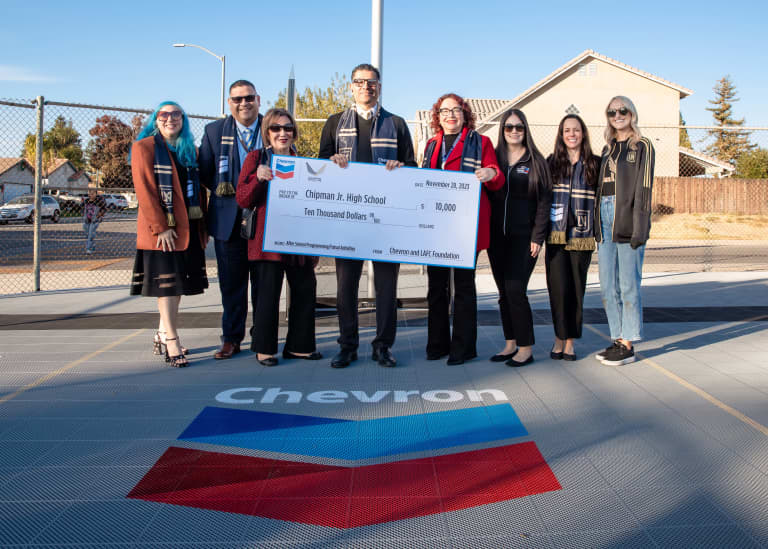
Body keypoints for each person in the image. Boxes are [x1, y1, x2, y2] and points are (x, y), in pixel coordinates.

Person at [318, 63, 416, 368]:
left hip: (385, 221)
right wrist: (331, 160)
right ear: (351, 87)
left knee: (386, 288)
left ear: (379, 87)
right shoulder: (335, 123)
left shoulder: (396, 124)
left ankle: (383, 346)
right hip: (348, 220)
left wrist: (401, 167)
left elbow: (412, 166)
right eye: (359, 82)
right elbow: (320, 165)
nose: (366, 87)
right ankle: (347, 345)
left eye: (371, 82)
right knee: (346, 287)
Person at [421, 93, 504, 365]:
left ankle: (463, 347)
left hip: (466, 227)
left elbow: (497, 176)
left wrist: (491, 173)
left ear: (464, 114)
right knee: (436, 287)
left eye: (456, 110)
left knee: (463, 287)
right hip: (436, 227)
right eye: (445, 111)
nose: (450, 115)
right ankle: (437, 344)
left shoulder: (481, 142)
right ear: (438, 116)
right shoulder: (431, 145)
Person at [236, 108, 321, 367]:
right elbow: (242, 198)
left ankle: (299, 347)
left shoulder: (304, 163)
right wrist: (258, 178)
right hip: (267, 243)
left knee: (305, 291)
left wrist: (314, 244)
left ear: (294, 132)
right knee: (267, 295)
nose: (282, 133)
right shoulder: (256, 158)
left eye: (288, 128)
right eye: (276, 128)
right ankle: (264, 349)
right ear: (267, 132)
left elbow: (314, 203)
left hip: (298, 241)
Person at [129, 101, 208, 367]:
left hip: (187, 227)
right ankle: (172, 341)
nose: (170, 119)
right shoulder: (144, 147)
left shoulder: (190, 150)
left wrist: (202, 226)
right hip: (162, 230)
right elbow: (145, 190)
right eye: (164, 114)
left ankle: (162, 333)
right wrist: (160, 227)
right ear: (156, 119)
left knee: (178, 286)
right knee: (168, 286)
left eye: (176, 114)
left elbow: (200, 191)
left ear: (183, 120)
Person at [199, 80, 263, 360]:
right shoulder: (214, 131)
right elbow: (205, 172)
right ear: (229, 103)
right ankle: (231, 338)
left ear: (258, 99)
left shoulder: (272, 126)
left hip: (264, 218)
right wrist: (232, 191)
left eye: (249, 97)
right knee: (232, 285)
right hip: (228, 219)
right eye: (237, 99)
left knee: (263, 284)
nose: (244, 103)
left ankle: (262, 337)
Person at [488, 109, 552, 367]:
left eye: (519, 127)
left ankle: (525, 348)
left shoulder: (536, 161)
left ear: (525, 130)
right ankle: (510, 343)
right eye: (509, 127)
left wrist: (538, 236)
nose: (514, 131)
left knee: (516, 290)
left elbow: (544, 202)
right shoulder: (493, 158)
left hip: (524, 238)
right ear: (502, 130)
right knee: (503, 292)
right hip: (496, 238)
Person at [594, 96, 655, 366]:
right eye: (612, 112)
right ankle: (618, 338)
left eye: (622, 110)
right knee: (607, 285)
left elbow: (644, 188)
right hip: (605, 217)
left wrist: (640, 225)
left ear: (632, 113)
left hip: (627, 217)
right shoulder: (607, 148)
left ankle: (628, 343)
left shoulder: (642, 145)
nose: (617, 115)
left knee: (628, 284)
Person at [545, 115, 600, 361]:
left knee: (576, 290)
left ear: (583, 133)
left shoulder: (595, 163)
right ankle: (558, 337)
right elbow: (541, 197)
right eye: (567, 130)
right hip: (555, 235)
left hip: (582, 235)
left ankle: (570, 342)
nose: (571, 134)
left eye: (576, 130)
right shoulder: (551, 162)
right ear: (561, 134)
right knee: (558, 290)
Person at [82, 188, 106, 254]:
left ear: (96, 194)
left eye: (93, 194)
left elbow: (104, 209)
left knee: (90, 234)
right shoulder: (86, 201)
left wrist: (99, 214)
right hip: (87, 220)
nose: (91, 195)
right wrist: (83, 214)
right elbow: (82, 208)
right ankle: (92, 245)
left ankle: (89, 249)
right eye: (90, 193)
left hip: (95, 220)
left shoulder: (99, 201)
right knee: (87, 234)